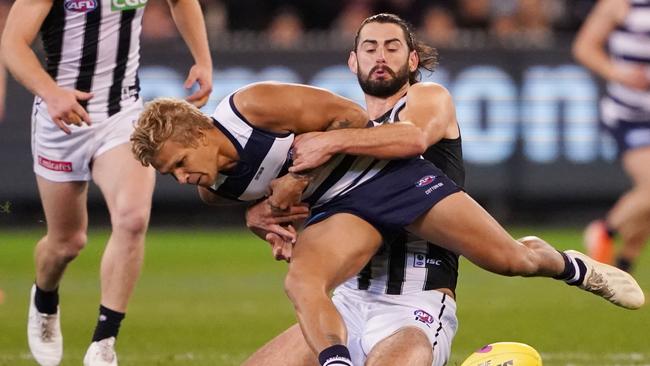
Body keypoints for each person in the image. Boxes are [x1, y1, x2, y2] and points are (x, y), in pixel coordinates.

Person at [131, 17, 643, 366]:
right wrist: (262, 212)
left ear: (414, 60)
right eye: (369, 49)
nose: (380, 57)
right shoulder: (217, 185)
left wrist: (301, 171)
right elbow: (274, 189)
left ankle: (572, 267)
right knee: (302, 282)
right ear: (351, 63)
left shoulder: (427, 97)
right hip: (350, 255)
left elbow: (406, 138)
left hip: (412, 272)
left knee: (511, 260)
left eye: (392, 47)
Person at [0, 0, 212, 364]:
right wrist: (51, 93)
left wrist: (203, 59)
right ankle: (45, 298)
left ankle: (104, 342)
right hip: (61, 121)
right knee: (67, 242)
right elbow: (12, 43)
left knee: (132, 218)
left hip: (122, 114)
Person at [573, 0, 650, 273]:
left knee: (646, 203)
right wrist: (618, 73)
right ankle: (605, 229)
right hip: (631, 115)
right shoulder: (621, 3)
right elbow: (584, 46)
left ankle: (623, 269)